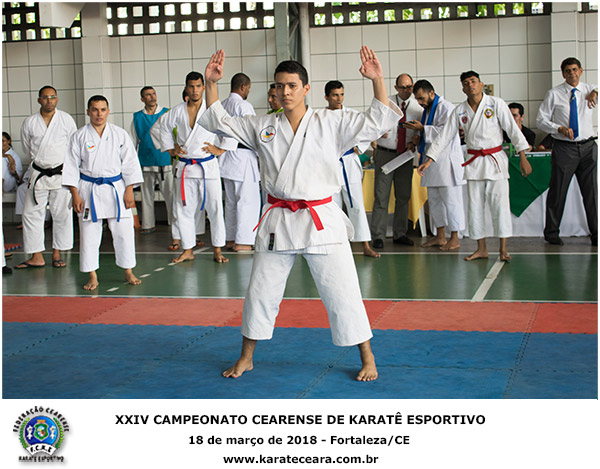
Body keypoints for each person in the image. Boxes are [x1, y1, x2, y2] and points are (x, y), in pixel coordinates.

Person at [201, 47, 402, 381]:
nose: (285, 92)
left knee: (343, 291)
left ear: (306, 89)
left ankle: (368, 357)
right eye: (280, 86)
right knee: (260, 291)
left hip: (321, 219)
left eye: (292, 85)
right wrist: (211, 84)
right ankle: (246, 357)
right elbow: (218, 121)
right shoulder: (263, 125)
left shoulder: (331, 121)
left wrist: (377, 80)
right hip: (279, 220)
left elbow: (378, 119)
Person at [418, 71, 532, 261]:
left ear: (481, 84)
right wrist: (429, 159)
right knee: (475, 207)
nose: (470, 85)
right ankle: (481, 249)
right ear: (463, 88)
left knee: (500, 206)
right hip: (474, 162)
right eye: (466, 83)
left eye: (473, 81)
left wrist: (523, 155)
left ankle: (503, 249)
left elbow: (512, 129)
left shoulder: (496, 104)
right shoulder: (460, 110)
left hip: (495, 161)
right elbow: (444, 136)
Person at [62, 95, 143, 291]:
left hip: (116, 188)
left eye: (103, 109)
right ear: (88, 112)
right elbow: (71, 166)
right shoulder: (79, 136)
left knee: (124, 232)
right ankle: (92, 275)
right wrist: (74, 193)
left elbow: (130, 163)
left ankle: (128, 270)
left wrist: (129, 190)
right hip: (89, 189)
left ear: (108, 111)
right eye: (95, 110)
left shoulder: (119, 134)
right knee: (89, 234)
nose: (99, 114)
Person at [156, 71, 235, 264]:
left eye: (198, 86)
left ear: (203, 87)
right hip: (185, 167)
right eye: (191, 86)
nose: (195, 90)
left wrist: (220, 149)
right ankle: (188, 249)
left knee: (215, 209)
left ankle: (217, 249)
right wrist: (170, 149)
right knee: (183, 210)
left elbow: (230, 128)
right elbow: (160, 128)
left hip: (207, 166)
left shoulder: (212, 109)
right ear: (186, 88)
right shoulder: (177, 110)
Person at [536, 57, 598, 246]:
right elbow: (541, 120)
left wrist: (595, 91)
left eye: (574, 70)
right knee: (558, 191)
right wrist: (559, 128)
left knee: (592, 193)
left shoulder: (589, 89)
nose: (572, 73)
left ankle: (597, 234)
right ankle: (551, 233)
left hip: (588, 147)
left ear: (581, 71)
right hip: (564, 148)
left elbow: (597, 86)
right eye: (568, 71)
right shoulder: (554, 94)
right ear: (563, 74)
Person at [17, 86, 77, 269]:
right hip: (38, 174)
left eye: (52, 97)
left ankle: (57, 253)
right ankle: (37, 256)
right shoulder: (30, 122)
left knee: (62, 214)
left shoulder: (66, 119)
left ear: (57, 99)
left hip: (61, 173)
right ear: (39, 100)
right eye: (45, 97)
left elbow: (73, 146)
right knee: (31, 214)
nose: (49, 101)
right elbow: (27, 148)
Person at [405, 79, 465, 250]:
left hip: (447, 163)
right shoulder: (427, 111)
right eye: (417, 99)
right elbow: (431, 134)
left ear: (432, 93)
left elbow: (447, 133)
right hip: (431, 164)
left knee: (452, 202)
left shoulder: (447, 108)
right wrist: (419, 138)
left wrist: (423, 129)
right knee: (435, 201)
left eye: (422, 98)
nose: (420, 102)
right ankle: (440, 236)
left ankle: (455, 238)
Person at [324, 80, 380, 258]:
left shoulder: (352, 115)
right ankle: (335, 245)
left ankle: (365, 245)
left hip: (349, 161)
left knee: (356, 203)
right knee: (332, 205)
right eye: (335, 95)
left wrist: (360, 147)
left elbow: (371, 130)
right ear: (326, 97)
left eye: (341, 94)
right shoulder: (320, 117)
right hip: (330, 164)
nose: (339, 98)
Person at [370, 73, 422, 248]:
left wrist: (416, 140)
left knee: (403, 195)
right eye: (402, 87)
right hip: (385, 153)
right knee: (381, 196)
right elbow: (370, 122)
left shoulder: (417, 107)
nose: (406, 90)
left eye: (409, 87)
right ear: (396, 88)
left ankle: (400, 233)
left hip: (405, 155)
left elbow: (421, 130)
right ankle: (378, 235)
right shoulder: (385, 102)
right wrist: (377, 133)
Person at [220, 73, 261, 252]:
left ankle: (230, 238)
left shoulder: (222, 105)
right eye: (248, 88)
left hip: (226, 158)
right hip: (243, 158)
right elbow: (252, 132)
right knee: (247, 201)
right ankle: (243, 241)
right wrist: (261, 155)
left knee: (231, 202)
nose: (248, 92)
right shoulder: (243, 105)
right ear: (243, 87)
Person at [131, 86, 176, 241]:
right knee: (146, 195)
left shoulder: (167, 113)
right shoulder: (137, 117)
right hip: (145, 161)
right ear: (142, 99)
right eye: (148, 95)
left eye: (153, 94)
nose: (152, 97)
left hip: (165, 161)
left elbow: (174, 136)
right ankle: (148, 224)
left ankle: (174, 223)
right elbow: (132, 142)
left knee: (170, 194)